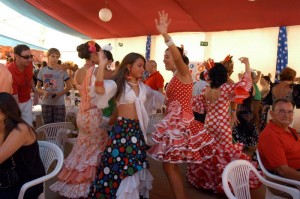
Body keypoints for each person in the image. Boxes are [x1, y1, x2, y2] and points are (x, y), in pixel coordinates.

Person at [147, 11, 215, 199]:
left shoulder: (183, 73)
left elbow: (177, 58)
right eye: (164, 57)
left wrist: (166, 36)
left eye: (167, 57)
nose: (164, 60)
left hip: (181, 125)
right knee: (169, 166)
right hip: (174, 125)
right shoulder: (175, 77)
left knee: (169, 166)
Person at [88, 52, 164, 199]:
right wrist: (102, 67)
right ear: (129, 66)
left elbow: (157, 98)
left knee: (134, 166)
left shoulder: (143, 86)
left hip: (137, 131)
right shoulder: (119, 84)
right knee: (119, 164)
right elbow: (98, 90)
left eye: (143, 66)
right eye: (139, 66)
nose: (143, 69)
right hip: (122, 131)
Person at [50, 41, 115, 198]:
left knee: (82, 148)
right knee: (95, 149)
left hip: (82, 115)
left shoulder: (78, 71)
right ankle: (88, 186)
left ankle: (73, 182)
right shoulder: (95, 71)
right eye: (99, 54)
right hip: (94, 115)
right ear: (94, 55)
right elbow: (117, 76)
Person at [188, 58, 261, 193]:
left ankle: (210, 181)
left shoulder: (206, 90)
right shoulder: (226, 88)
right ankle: (224, 182)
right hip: (222, 124)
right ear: (224, 75)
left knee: (210, 151)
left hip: (209, 123)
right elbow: (246, 84)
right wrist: (247, 64)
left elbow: (200, 106)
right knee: (225, 152)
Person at [0, 92, 45, 199]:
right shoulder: (3, 129)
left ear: (6, 111)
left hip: (27, 183)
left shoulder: (21, 129)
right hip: (7, 180)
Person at [258, 99, 300, 196]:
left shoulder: (289, 130)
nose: (286, 115)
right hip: (286, 181)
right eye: (281, 111)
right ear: (272, 114)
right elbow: (283, 171)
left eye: (290, 112)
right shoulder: (270, 135)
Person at [36, 48, 71, 124]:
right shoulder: (42, 70)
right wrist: (43, 91)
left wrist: (59, 94)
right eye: (53, 56)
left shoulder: (62, 70)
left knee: (59, 129)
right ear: (48, 56)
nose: (55, 59)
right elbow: (37, 87)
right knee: (48, 129)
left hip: (59, 104)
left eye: (57, 57)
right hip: (46, 103)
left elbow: (69, 86)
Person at [7, 44, 36, 126]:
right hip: (16, 102)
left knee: (29, 126)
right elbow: (14, 97)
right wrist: (16, 114)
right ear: (16, 56)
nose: (30, 59)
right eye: (26, 57)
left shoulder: (28, 64)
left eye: (31, 56)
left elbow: (30, 78)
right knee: (18, 127)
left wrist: (35, 90)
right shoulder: (10, 72)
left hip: (27, 99)